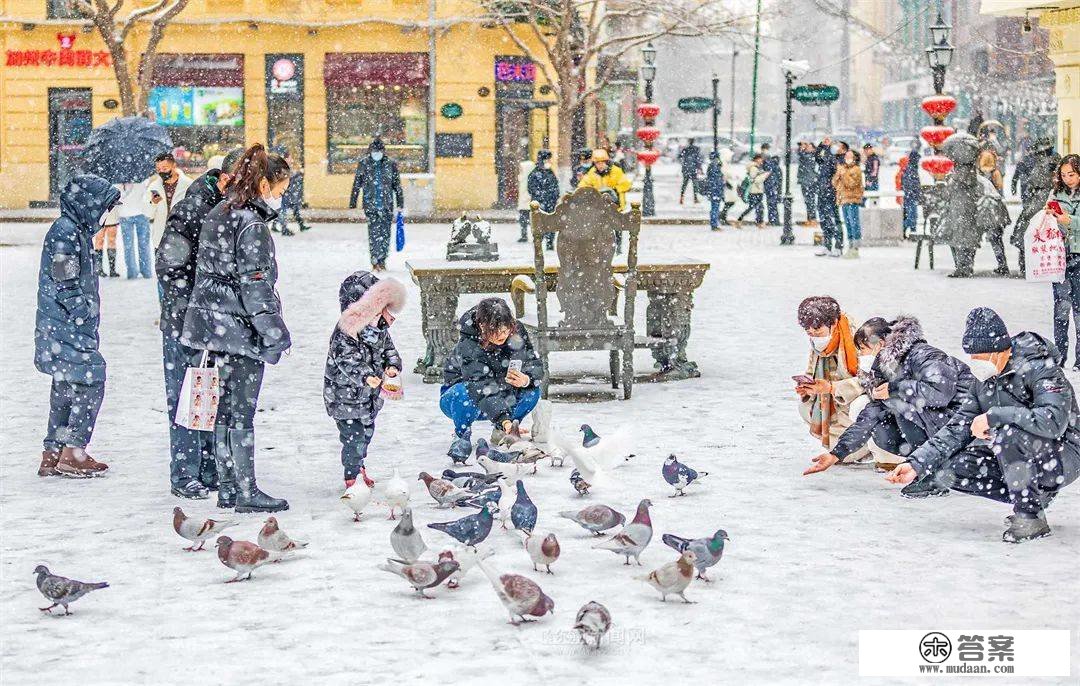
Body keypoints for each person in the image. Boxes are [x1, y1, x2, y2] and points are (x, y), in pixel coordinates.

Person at [886, 308, 1080, 543]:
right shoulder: (983, 382)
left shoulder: (1041, 369)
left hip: (1063, 454)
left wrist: (994, 416)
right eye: (973, 357)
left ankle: (1030, 516)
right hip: (1020, 456)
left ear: (1001, 351)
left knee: (1006, 433)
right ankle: (1030, 496)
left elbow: (1052, 421)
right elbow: (957, 427)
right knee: (948, 466)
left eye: (982, 356)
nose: (977, 364)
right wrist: (917, 463)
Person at [181, 143, 293, 513]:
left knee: (223, 410)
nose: (281, 196)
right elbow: (255, 286)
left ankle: (228, 487)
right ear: (264, 185)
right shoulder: (251, 224)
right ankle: (246, 491)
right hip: (239, 330)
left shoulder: (219, 212)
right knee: (241, 412)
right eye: (280, 188)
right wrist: (274, 332)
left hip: (213, 328)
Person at [156, 147, 244, 499]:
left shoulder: (224, 209)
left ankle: (207, 468)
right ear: (224, 180)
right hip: (185, 321)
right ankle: (185, 473)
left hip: (210, 321)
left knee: (207, 394)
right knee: (185, 396)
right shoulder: (193, 210)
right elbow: (169, 266)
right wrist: (198, 298)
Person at [803, 316, 976, 476]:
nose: (862, 356)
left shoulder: (923, 354)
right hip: (937, 422)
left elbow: (940, 392)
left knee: (900, 405)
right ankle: (921, 465)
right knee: (880, 421)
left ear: (880, 344)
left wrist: (895, 389)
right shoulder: (886, 370)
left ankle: (929, 468)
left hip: (962, 421)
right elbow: (870, 416)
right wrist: (836, 454)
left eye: (863, 349)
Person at [35, 174, 119, 478]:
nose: (105, 213)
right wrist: (83, 311)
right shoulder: (66, 232)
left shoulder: (73, 230)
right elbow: (65, 282)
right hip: (66, 325)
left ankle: (53, 453)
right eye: (103, 206)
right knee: (91, 380)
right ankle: (73, 452)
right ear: (89, 203)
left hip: (60, 326)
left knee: (65, 385)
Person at [324, 271, 406, 489]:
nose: (386, 315)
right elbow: (346, 359)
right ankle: (352, 475)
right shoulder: (345, 333)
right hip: (345, 397)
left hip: (369, 398)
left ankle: (359, 465)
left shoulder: (379, 330)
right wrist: (365, 375)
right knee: (353, 436)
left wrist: (392, 366)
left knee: (366, 433)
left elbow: (390, 350)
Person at [441, 297, 543, 463]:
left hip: (503, 392)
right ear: (482, 326)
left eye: (506, 330)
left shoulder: (516, 331)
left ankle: (503, 431)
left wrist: (526, 378)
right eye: (496, 331)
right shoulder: (469, 343)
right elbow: (480, 385)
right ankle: (462, 435)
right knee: (464, 393)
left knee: (532, 390)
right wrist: (504, 418)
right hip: (463, 397)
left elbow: (534, 363)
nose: (503, 335)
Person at [794, 296, 866, 455]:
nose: (813, 335)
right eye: (808, 331)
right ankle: (843, 445)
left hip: (853, 402)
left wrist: (832, 388)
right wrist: (809, 388)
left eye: (817, 330)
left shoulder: (859, 338)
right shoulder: (818, 344)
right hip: (832, 403)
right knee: (804, 408)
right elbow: (811, 369)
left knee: (860, 406)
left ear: (833, 324)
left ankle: (868, 446)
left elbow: (871, 380)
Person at [349, 138, 404, 272]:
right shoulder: (364, 163)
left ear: (383, 152)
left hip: (386, 205)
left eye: (379, 151)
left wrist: (400, 202)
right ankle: (375, 261)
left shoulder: (390, 164)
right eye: (374, 151)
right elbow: (357, 183)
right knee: (374, 233)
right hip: (370, 205)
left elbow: (397, 185)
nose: (377, 153)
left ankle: (382, 260)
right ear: (370, 151)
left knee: (385, 234)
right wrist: (353, 202)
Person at [1048, 154, 1080, 368]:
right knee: (1060, 308)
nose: (1068, 178)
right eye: (1064, 174)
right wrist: (1049, 215)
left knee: (1079, 309)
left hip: (1079, 254)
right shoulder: (1056, 193)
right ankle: (1059, 355)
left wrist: (1072, 221)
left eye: (1072, 174)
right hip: (1059, 255)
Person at [1011, 138, 1060, 273]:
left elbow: (1038, 179)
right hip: (1037, 198)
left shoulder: (1052, 161)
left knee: (1031, 230)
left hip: (1044, 199)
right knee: (1028, 231)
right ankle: (1027, 264)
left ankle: (1030, 265)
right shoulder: (1045, 161)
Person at [145, 152, 193, 249]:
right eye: (158, 169)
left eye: (165, 168)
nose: (161, 172)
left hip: (182, 238)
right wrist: (153, 203)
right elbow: (147, 214)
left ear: (174, 166)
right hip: (160, 239)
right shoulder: (154, 187)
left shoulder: (188, 185)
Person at [115, 179, 151, 278]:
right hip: (125, 216)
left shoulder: (142, 181)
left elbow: (148, 192)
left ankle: (145, 271)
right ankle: (133, 272)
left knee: (142, 244)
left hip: (141, 214)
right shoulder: (117, 184)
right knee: (129, 246)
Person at [833, 149, 864, 259]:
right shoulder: (843, 169)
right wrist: (838, 174)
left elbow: (851, 184)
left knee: (854, 223)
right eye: (846, 156)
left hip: (852, 200)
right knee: (848, 224)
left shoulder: (856, 170)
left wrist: (844, 174)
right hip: (843, 200)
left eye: (849, 156)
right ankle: (850, 247)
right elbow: (835, 183)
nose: (847, 159)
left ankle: (855, 248)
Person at [527, 149, 560, 249]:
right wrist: (542, 198)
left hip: (551, 203)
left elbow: (555, 186)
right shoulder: (534, 174)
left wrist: (555, 196)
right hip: (540, 205)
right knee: (539, 225)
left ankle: (550, 242)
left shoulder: (550, 172)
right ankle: (539, 243)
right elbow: (532, 189)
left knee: (551, 224)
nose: (549, 162)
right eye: (547, 160)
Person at [815, 137, 842, 257]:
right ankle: (827, 245)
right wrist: (822, 145)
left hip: (830, 193)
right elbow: (817, 156)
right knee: (824, 220)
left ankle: (838, 246)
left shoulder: (835, 160)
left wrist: (826, 147)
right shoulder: (825, 160)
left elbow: (837, 175)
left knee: (833, 220)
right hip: (822, 192)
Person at [272, 151, 309, 236]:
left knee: (288, 209)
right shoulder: (282, 166)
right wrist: (296, 175)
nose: (291, 159)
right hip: (282, 193)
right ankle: (284, 229)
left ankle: (299, 225)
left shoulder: (285, 166)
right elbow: (283, 177)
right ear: (286, 158)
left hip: (286, 193)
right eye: (290, 158)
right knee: (282, 211)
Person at [736, 153, 769, 228]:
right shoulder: (754, 168)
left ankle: (758, 222)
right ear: (757, 159)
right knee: (755, 207)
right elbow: (754, 180)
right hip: (754, 191)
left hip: (757, 191)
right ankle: (740, 220)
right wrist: (765, 176)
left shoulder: (756, 167)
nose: (762, 160)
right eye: (761, 159)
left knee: (757, 207)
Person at [704, 150, 731, 232]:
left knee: (715, 208)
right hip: (716, 191)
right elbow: (717, 180)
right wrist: (723, 184)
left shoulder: (713, 165)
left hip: (715, 190)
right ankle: (714, 225)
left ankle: (714, 224)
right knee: (715, 208)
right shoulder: (715, 166)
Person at [92, 206, 120, 278]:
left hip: (101, 218)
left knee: (99, 243)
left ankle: (100, 269)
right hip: (108, 218)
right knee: (109, 243)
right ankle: (110, 269)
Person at [900, 147, 922, 236]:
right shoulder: (911, 169)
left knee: (912, 217)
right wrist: (916, 193)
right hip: (910, 197)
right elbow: (910, 184)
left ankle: (912, 233)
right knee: (912, 217)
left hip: (910, 197)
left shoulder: (912, 168)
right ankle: (902, 229)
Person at [796, 141, 818, 226]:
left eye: (808, 146)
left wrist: (801, 148)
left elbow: (802, 155)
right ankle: (810, 218)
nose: (806, 148)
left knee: (810, 201)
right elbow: (801, 156)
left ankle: (812, 219)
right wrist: (801, 148)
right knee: (808, 201)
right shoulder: (809, 156)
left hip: (809, 181)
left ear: (813, 149)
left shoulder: (811, 156)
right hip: (806, 181)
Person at [761, 143, 782, 225]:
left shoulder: (768, 161)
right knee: (772, 203)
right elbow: (779, 179)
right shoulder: (775, 165)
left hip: (769, 185)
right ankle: (773, 220)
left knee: (771, 203)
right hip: (772, 185)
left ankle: (773, 220)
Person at [677, 138, 703, 204]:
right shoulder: (696, 149)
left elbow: (679, 156)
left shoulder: (685, 149)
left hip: (686, 169)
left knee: (684, 184)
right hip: (693, 169)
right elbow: (698, 160)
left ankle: (681, 198)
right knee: (695, 185)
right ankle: (695, 198)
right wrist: (700, 168)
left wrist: (684, 162)